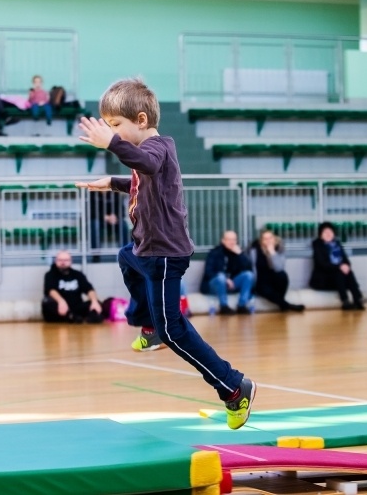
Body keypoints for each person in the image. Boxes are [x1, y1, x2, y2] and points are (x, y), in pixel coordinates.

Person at [76, 78, 255, 430]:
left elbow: (147, 165)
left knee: (174, 331)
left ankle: (233, 387)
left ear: (141, 120)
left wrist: (111, 143)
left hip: (163, 254)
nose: (112, 132)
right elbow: (142, 182)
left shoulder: (157, 147)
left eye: (116, 125)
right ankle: (149, 326)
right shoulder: (146, 153)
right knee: (126, 257)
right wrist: (112, 182)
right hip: (147, 249)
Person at [309, 222, 365, 311]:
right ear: (320, 235)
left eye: (330, 232)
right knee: (339, 272)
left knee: (348, 271)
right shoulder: (318, 246)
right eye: (325, 232)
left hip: (338, 279)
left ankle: (357, 299)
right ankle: (345, 301)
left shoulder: (337, 245)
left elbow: (346, 260)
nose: (328, 234)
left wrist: (346, 266)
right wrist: (339, 267)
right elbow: (322, 264)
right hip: (323, 280)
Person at [249, 229, 305, 313]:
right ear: (261, 241)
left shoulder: (279, 248)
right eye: (265, 239)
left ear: (274, 239)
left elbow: (279, 268)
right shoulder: (254, 250)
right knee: (264, 289)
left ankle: (282, 303)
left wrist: (272, 252)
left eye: (270, 238)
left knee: (282, 275)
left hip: (275, 279)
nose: (268, 241)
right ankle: (286, 305)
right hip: (260, 281)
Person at [200, 231, 255, 315]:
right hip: (215, 284)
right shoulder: (214, 253)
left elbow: (249, 269)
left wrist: (240, 254)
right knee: (221, 277)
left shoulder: (238, 252)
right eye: (229, 239)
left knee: (248, 275)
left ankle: (242, 306)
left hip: (232, 284)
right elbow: (208, 272)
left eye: (234, 239)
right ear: (223, 241)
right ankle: (224, 306)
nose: (232, 242)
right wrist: (225, 279)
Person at [42, 250, 103, 323]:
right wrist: (61, 301)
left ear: (71, 261)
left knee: (97, 302)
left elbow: (89, 288)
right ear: (56, 261)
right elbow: (50, 290)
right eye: (60, 260)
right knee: (47, 303)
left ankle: (89, 318)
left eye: (66, 260)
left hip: (76, 307)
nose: (63, 263)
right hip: (59, 307)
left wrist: (94, 301)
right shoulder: (50, 275)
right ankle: (72, 317)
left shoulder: (78, 274)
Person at [89, 190, 130, 258]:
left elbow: (121, 211)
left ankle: (124, 254)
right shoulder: (92, 194)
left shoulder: (115, 194)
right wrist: (105, 217)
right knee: (95, 224)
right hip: (99, 219)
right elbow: (90, 212)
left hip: (113, 220)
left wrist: (115, 216)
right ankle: (96, 254)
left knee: (123, 225)